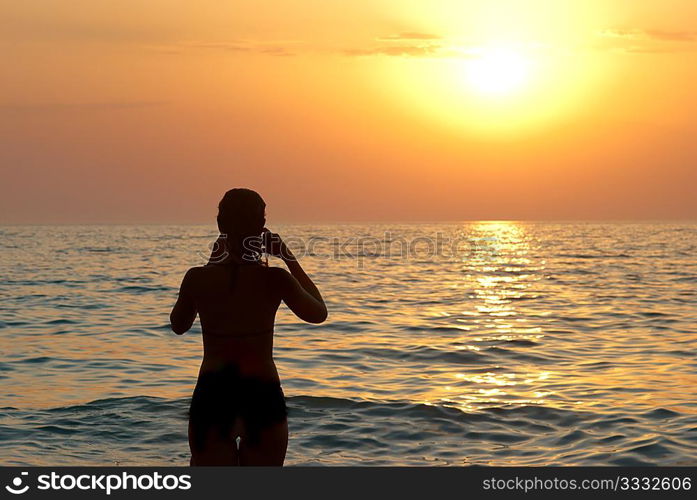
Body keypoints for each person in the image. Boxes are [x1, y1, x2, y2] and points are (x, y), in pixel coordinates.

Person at [170, 188, 327, 466]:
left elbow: (179, 325)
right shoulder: (275, 279)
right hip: (261, 391)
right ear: (262, 227)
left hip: (214, 390)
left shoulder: (197, 278)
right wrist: (288, 257)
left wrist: (212, 262)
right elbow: (318, 313)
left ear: (220, 225)